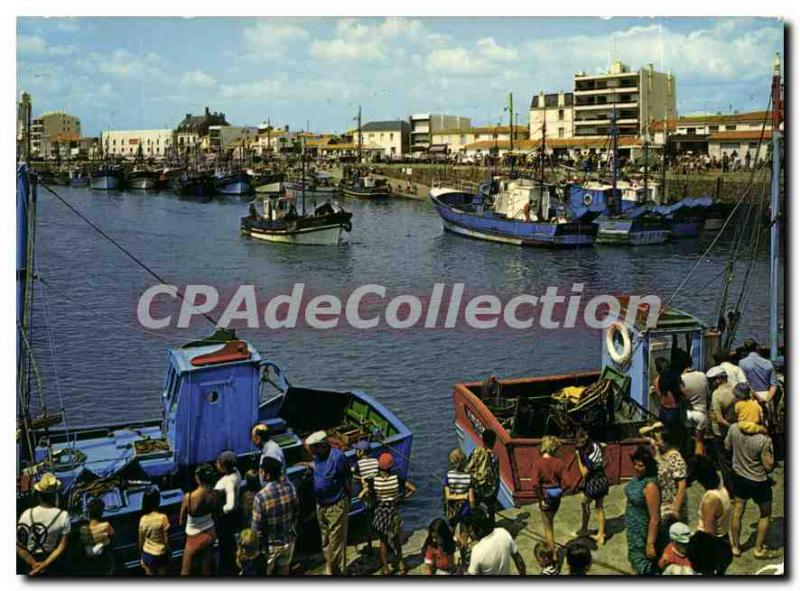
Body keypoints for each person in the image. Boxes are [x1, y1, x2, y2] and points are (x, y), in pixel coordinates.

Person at [725, 417, 777, 559]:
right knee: (765, 513)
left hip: (740, 477)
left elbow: (727, 448)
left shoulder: (734, 428)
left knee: (737, 511)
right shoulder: (763, 439)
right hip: (759, 481)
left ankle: (735, 547)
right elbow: (768, 466)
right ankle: (758, 549)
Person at [306, 430, 352, 575]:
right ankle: (331, 567)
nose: (312, 451)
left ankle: (337, 572)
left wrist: (347, 498)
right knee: (325, 540)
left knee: (336, 542)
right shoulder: (318, 457)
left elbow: (348, 478)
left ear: (323, 446)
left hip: (336, 504)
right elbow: (315, 466)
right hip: (321, 505)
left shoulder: (338, 458)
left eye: (314, 448)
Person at [366, 452, 416, 575]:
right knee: (395, 539)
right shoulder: (396, 478)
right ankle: (401, 564)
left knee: (383, 541)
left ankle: (385, 568)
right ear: (391, 466)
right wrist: (402, 498)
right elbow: (413, 489)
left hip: (380, 511)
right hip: (393, 510)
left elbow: (366, 494)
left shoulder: (374, 480)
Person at [251, 456, 299, 576]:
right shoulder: (290, 487)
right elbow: (296, 513)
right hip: (288, 541)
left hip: (270, 547)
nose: (260, 473)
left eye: (261, 470)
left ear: (267, 475)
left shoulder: (260, 497)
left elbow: (256, 530)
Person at [16, 473, 71, 576]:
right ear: (55, 495)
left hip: (30, 562)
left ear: (39, 495)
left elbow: (18, 545)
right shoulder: (63, 515)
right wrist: (44, 564)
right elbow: (62, 546)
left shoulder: (27, 514)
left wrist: (33, 564)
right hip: (51, 561)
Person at [689, 455, 733, 574]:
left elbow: (709, 536)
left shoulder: (710, 500)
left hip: (714, 549)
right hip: (724, 541)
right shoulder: (720, 487)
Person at [624, 446, 661, 575]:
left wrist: (650, 544)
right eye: (635, 464)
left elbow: (655, 518)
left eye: (640, 466)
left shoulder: (650, 486)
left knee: (643, 565)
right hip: (633, 529)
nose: (636, 468)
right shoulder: (637, 478)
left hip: (642, 530)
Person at [179, 464, 219, 576]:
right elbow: (215, 512)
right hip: (210, 533)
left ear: (198, 478)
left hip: (194, 537)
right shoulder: (215, 494)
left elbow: (181, 521)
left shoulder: (189, 497)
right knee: (206, 570)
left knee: (185, 571)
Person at [465, 507, 526, 575]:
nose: (469, 533)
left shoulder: (477, 551)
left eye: (470, 531)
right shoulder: (503, 532)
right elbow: (519, 560)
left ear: (476, 530)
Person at [532, 436, 566, 554]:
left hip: (545, 497)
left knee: (548, 528)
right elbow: (568, 483)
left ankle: (553, 558)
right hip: (555, 498)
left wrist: (540, 499)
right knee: (550, 524)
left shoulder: (538, 463)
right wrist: (560, 491)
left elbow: (535, 484)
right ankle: (550, 552)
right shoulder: (559, 463)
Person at [574, 429, 608, 546]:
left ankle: (584, 529)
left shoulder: (588, 455)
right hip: (602, 478)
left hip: (593, 482)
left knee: (585, 504)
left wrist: (578, 457)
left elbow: (584, 473)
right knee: (599, 507)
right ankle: (601, 534)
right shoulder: (595, 444)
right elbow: (604, 445)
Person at [707, 366, 737, 492]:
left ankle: (730, 489)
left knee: (724, 462)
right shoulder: (735, 389)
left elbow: (719, 419)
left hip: (721, 432)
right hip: (736, 430)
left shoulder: (716, 394)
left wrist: (730, 427)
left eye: (712, 380)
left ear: (718, 380)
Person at [213, 450, 242, 575]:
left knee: (225, 546)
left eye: (218, 462)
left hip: (224, 519)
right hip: (233, 517)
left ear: (224, 466)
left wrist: (221, 510)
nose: (216, 464)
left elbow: (230, 504)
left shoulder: (228, 481)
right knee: (229, 545)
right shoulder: (237, 473)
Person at [466, 429, 500, 526]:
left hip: (477, 487)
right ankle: (491, 528)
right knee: (491, 511)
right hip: (489, 490)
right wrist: (495, 491)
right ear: (493, 441)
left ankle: (477, 528)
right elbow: (496, 476)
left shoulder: (475, 452)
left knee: (477, 511)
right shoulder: (494, 457)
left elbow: (469, 468)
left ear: (483, 440)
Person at [352, 440, 379, 554]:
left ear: (362, 452)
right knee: (376, 517)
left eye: (357, 450)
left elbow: (351, 472)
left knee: (368, 520)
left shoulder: (358, 464)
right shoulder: (376, 461)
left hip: (367, 495)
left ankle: (369, 545)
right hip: (377, 494)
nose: (355, 452)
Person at [78, 496, 115, 575]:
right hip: (105, 559)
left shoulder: (82, 529)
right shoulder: (106, 526)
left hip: (90, 561)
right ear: (101, 512)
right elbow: (113, 536)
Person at [139, 487, 170, 576]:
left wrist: (142, 555)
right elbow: (166, 540)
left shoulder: (143, 519)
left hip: (148, 554)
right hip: (161, 554)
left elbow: (141, 541)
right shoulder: (163, 518)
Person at [681, 359, 710, 456]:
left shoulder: (681, 378)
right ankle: (699, 463)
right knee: (699, 442)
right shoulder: (702, 375)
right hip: (701, 413)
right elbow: (707, 394)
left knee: (688, 440)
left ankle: (689, 463)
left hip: (688, 413)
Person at [738, 339, 778, 407]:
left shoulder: (742, 363)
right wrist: (767, 399)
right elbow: (774, 385)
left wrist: (757, 397)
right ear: (757, 348)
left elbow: (745, 383)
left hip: (751, 398)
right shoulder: (768, 363)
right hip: (766, 395)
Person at [443, 448, 475, 527]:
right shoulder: (469, 476)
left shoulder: (449, 475)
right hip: (465, 509)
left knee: (454, 527)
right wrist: (473, 509)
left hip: (452, 510)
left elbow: (448, 496)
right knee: (466, 527)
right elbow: (471, 498)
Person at [653, 357, 682, 437]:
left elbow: (659, 394)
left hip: (664, 409)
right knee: (675, 437)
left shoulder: (656, 381)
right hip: (674, 409)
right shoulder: (673, 377)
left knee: (664, 436)